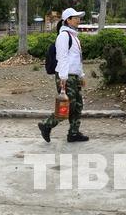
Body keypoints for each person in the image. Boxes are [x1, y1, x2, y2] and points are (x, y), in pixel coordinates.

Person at [38, 8, 89, 143]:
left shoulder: (74, 37)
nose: (79, 19)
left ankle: (74, 133)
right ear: (68, 20)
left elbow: (77, 59)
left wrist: (81, 75)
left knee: (78, 105)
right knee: (67, 106)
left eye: (79, 17)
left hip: (74, 76)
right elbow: (62, 58)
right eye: (76, 17)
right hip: (65, 77)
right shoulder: (64, 36)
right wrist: (63, 78)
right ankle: (46, 125)